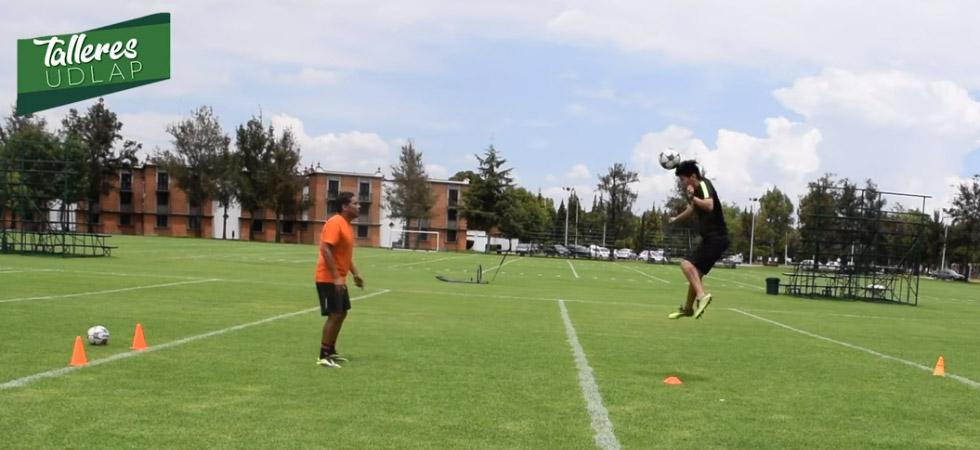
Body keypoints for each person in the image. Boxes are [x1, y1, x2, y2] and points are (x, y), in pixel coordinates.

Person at [667, 160, 729, 320]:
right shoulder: (698, 189)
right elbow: (692, 209)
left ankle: (702, 297)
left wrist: (692, 196)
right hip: (713, 238)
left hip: (716, 237)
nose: (681, 183)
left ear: (693, 176)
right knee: (696, 274)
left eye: (682, 179)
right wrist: (676, 220)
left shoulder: (702, 185)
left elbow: (709, 205)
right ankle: (688, 308)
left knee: (686, 265)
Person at [315, 192, 365, 368]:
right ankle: (323, 355)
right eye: (355, 203)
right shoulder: (335, 223)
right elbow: (326, 249)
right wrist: (336, 277)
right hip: (328, 278)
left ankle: (331, 351)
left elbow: (343, 254)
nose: (359, 206)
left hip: (339, 278)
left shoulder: (346, 225)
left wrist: (355, 273)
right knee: (335, 314)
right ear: (344, 206)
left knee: (341, 313)